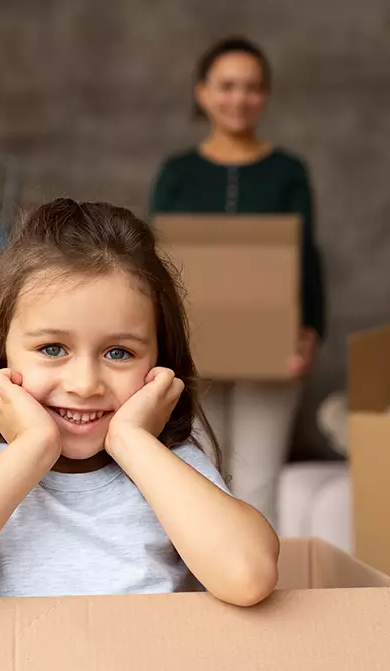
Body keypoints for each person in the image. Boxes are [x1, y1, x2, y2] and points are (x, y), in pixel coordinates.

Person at [0, 199, 280, 614]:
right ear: (1, 352)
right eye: (52, 348)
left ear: (159, 364)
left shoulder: (168, 464)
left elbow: (248, 576)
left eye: (119, 353)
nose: (84, 385)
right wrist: (33, 447)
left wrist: (133, 442)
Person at [149, 37, 326, 527]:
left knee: (257, 482)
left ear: (265, 96)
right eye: (227, 86)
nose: (239, 98)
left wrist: (310, 328)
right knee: (199, 474)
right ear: (203, 93)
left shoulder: (287, 171)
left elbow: (306, 253)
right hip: (193, 344)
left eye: (252, 88)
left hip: (270, 348)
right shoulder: (178, 173)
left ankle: (259, 591)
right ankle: (202, 594)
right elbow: (157, 257)